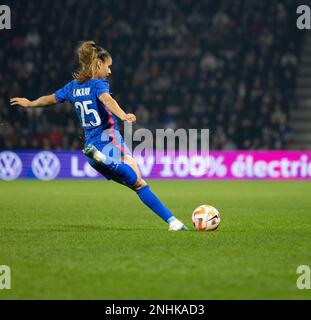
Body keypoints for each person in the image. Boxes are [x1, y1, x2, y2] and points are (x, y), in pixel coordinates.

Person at [10, 41, 188, 231]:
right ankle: (171, 221)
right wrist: (123, 115)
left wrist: (29, 104)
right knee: (137, 179)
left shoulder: (72, 87)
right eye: (108, 66)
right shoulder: (98, 84)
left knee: (138, 184)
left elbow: (50, 99)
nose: (109, 72)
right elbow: (107, 99)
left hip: (91, 150)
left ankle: (173, 222)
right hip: (109, 141)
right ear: (98, 64)